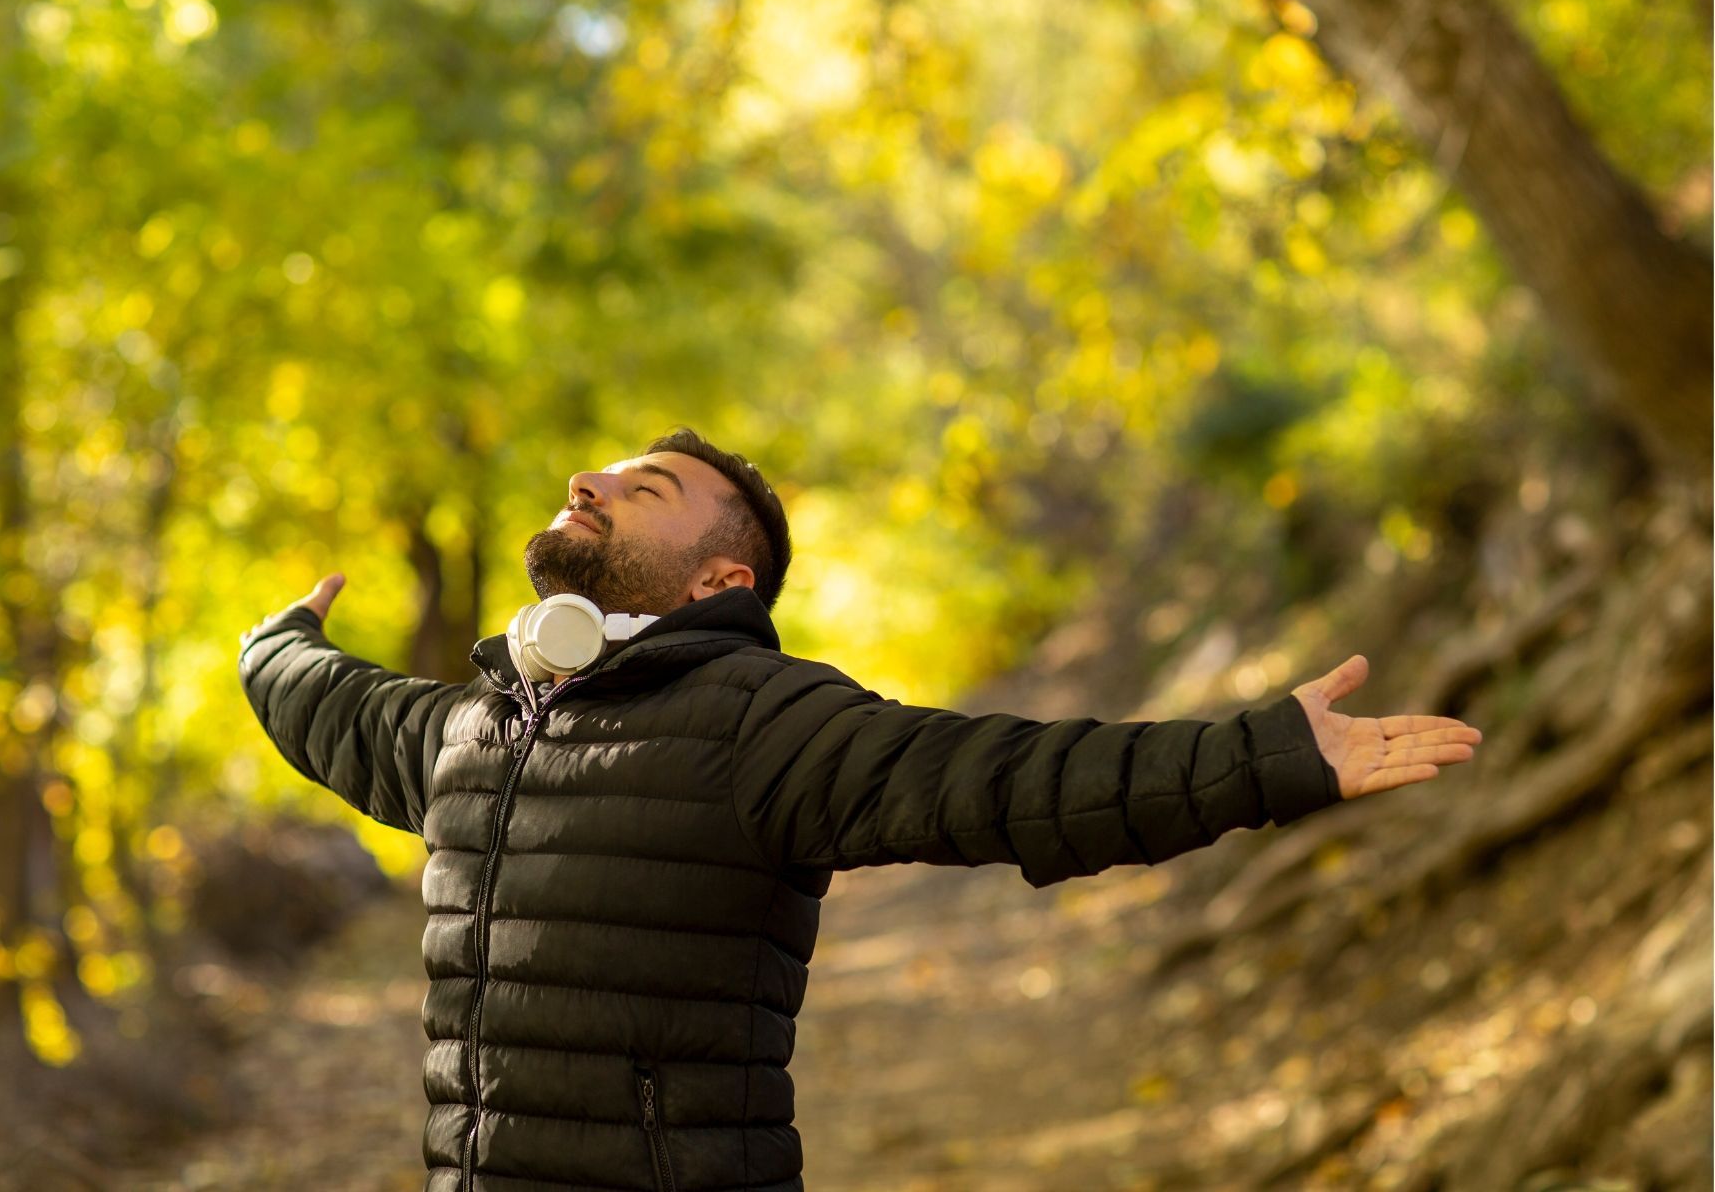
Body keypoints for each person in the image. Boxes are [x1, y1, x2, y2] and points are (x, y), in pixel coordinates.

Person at [237, 425, 1480, 1192]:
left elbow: (1012, 784)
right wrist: (273, 640)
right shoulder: (474, 727)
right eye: (606, 468)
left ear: (722, 578)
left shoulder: (760, 721)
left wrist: (1265, 755)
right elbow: (329, 705)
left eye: (646, 484)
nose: (591, 478)